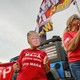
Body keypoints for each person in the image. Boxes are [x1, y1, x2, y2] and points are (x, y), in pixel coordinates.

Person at [62, 14, 80, 80]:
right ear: (70, 22)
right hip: (76, 63)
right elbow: (70, 47)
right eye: (76, 18)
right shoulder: (67, 34)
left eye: (78, 18)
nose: (78, 19)